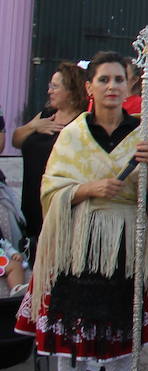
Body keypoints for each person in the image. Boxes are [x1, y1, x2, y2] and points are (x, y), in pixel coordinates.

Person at [14, 51, 148, 371]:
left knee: (120, 337)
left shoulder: (144, 131)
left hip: (124, 247)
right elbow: (50, 188)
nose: (112, 86)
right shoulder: (73, 133)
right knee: (73, 341)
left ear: (130, 86)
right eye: (104, 79)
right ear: (90, 87)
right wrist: (87, 190)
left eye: (120, 79)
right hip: (77, 246)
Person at [13, 61, 88, 246]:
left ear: (71, 91)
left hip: (58, 205)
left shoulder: (83, 121)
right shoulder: (47, 114)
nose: (49, 91)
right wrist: (33, 126)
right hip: (31, 201)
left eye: (55, 86)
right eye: (49, 86)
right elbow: (16, 140)